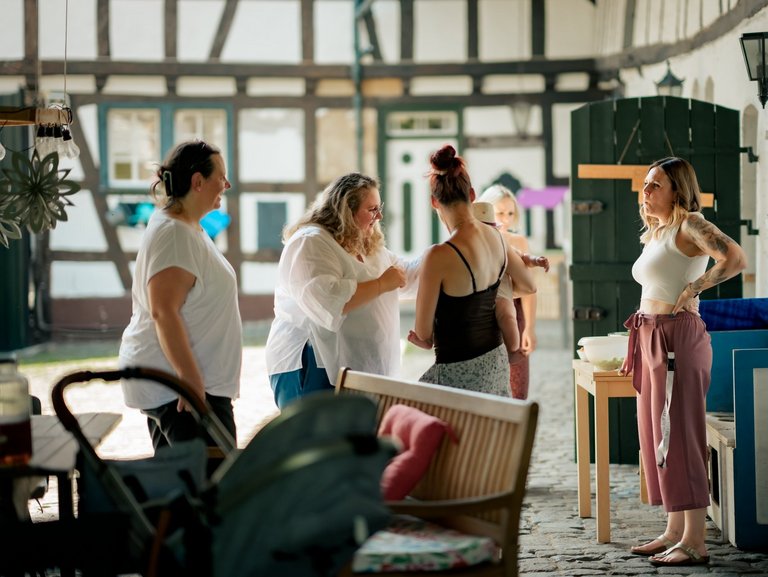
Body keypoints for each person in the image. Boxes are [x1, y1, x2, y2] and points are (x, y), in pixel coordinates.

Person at [619, 157, 746, 567]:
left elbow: (735, 257)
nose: (646, 190)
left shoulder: (690, 223)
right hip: (651, 335)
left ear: (678, 189)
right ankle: (674, 531)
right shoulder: (658, 231)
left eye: (656, 184)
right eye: (646, 183)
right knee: (657, 435)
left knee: (682, 437)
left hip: (678, 337)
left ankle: (695, 543)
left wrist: (695, 287)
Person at [119, 140, 241, 453]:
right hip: (182, 388)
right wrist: (189, 379)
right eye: (221, 177)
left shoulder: (185, 227)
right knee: (216, 476)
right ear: (198, 182)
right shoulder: (174, 233)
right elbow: (163, 311)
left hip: (186, 383)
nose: (226, 184)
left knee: (184, 476)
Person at [265, 172, 419, 409]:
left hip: (353, 366)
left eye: (379, 208)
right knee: (315, 431)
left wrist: (446, 251)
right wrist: (381, 284)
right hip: (312, 361)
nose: (379, 216)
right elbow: (328, 300)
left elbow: (405, 275)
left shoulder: (367, 245)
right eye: (372, 209)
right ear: (347, 210)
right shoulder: (310, 241)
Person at [407, 145, 536, 396]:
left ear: (434, 202)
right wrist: (494, 298)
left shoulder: (437, 256)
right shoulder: (497, 237)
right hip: (496, 364)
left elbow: (423, 334)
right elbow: (528, 286)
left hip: (457, 373)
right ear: (473, 194)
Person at [472, 200, 549, 399]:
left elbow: (523, 258)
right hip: (483, 304)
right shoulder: (471, 247)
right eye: (501, 213)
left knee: (508, 317)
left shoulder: (502, 244)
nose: (506, 219)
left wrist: (536, 260)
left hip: (504, 296)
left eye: (510, 213)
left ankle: (513, 350)